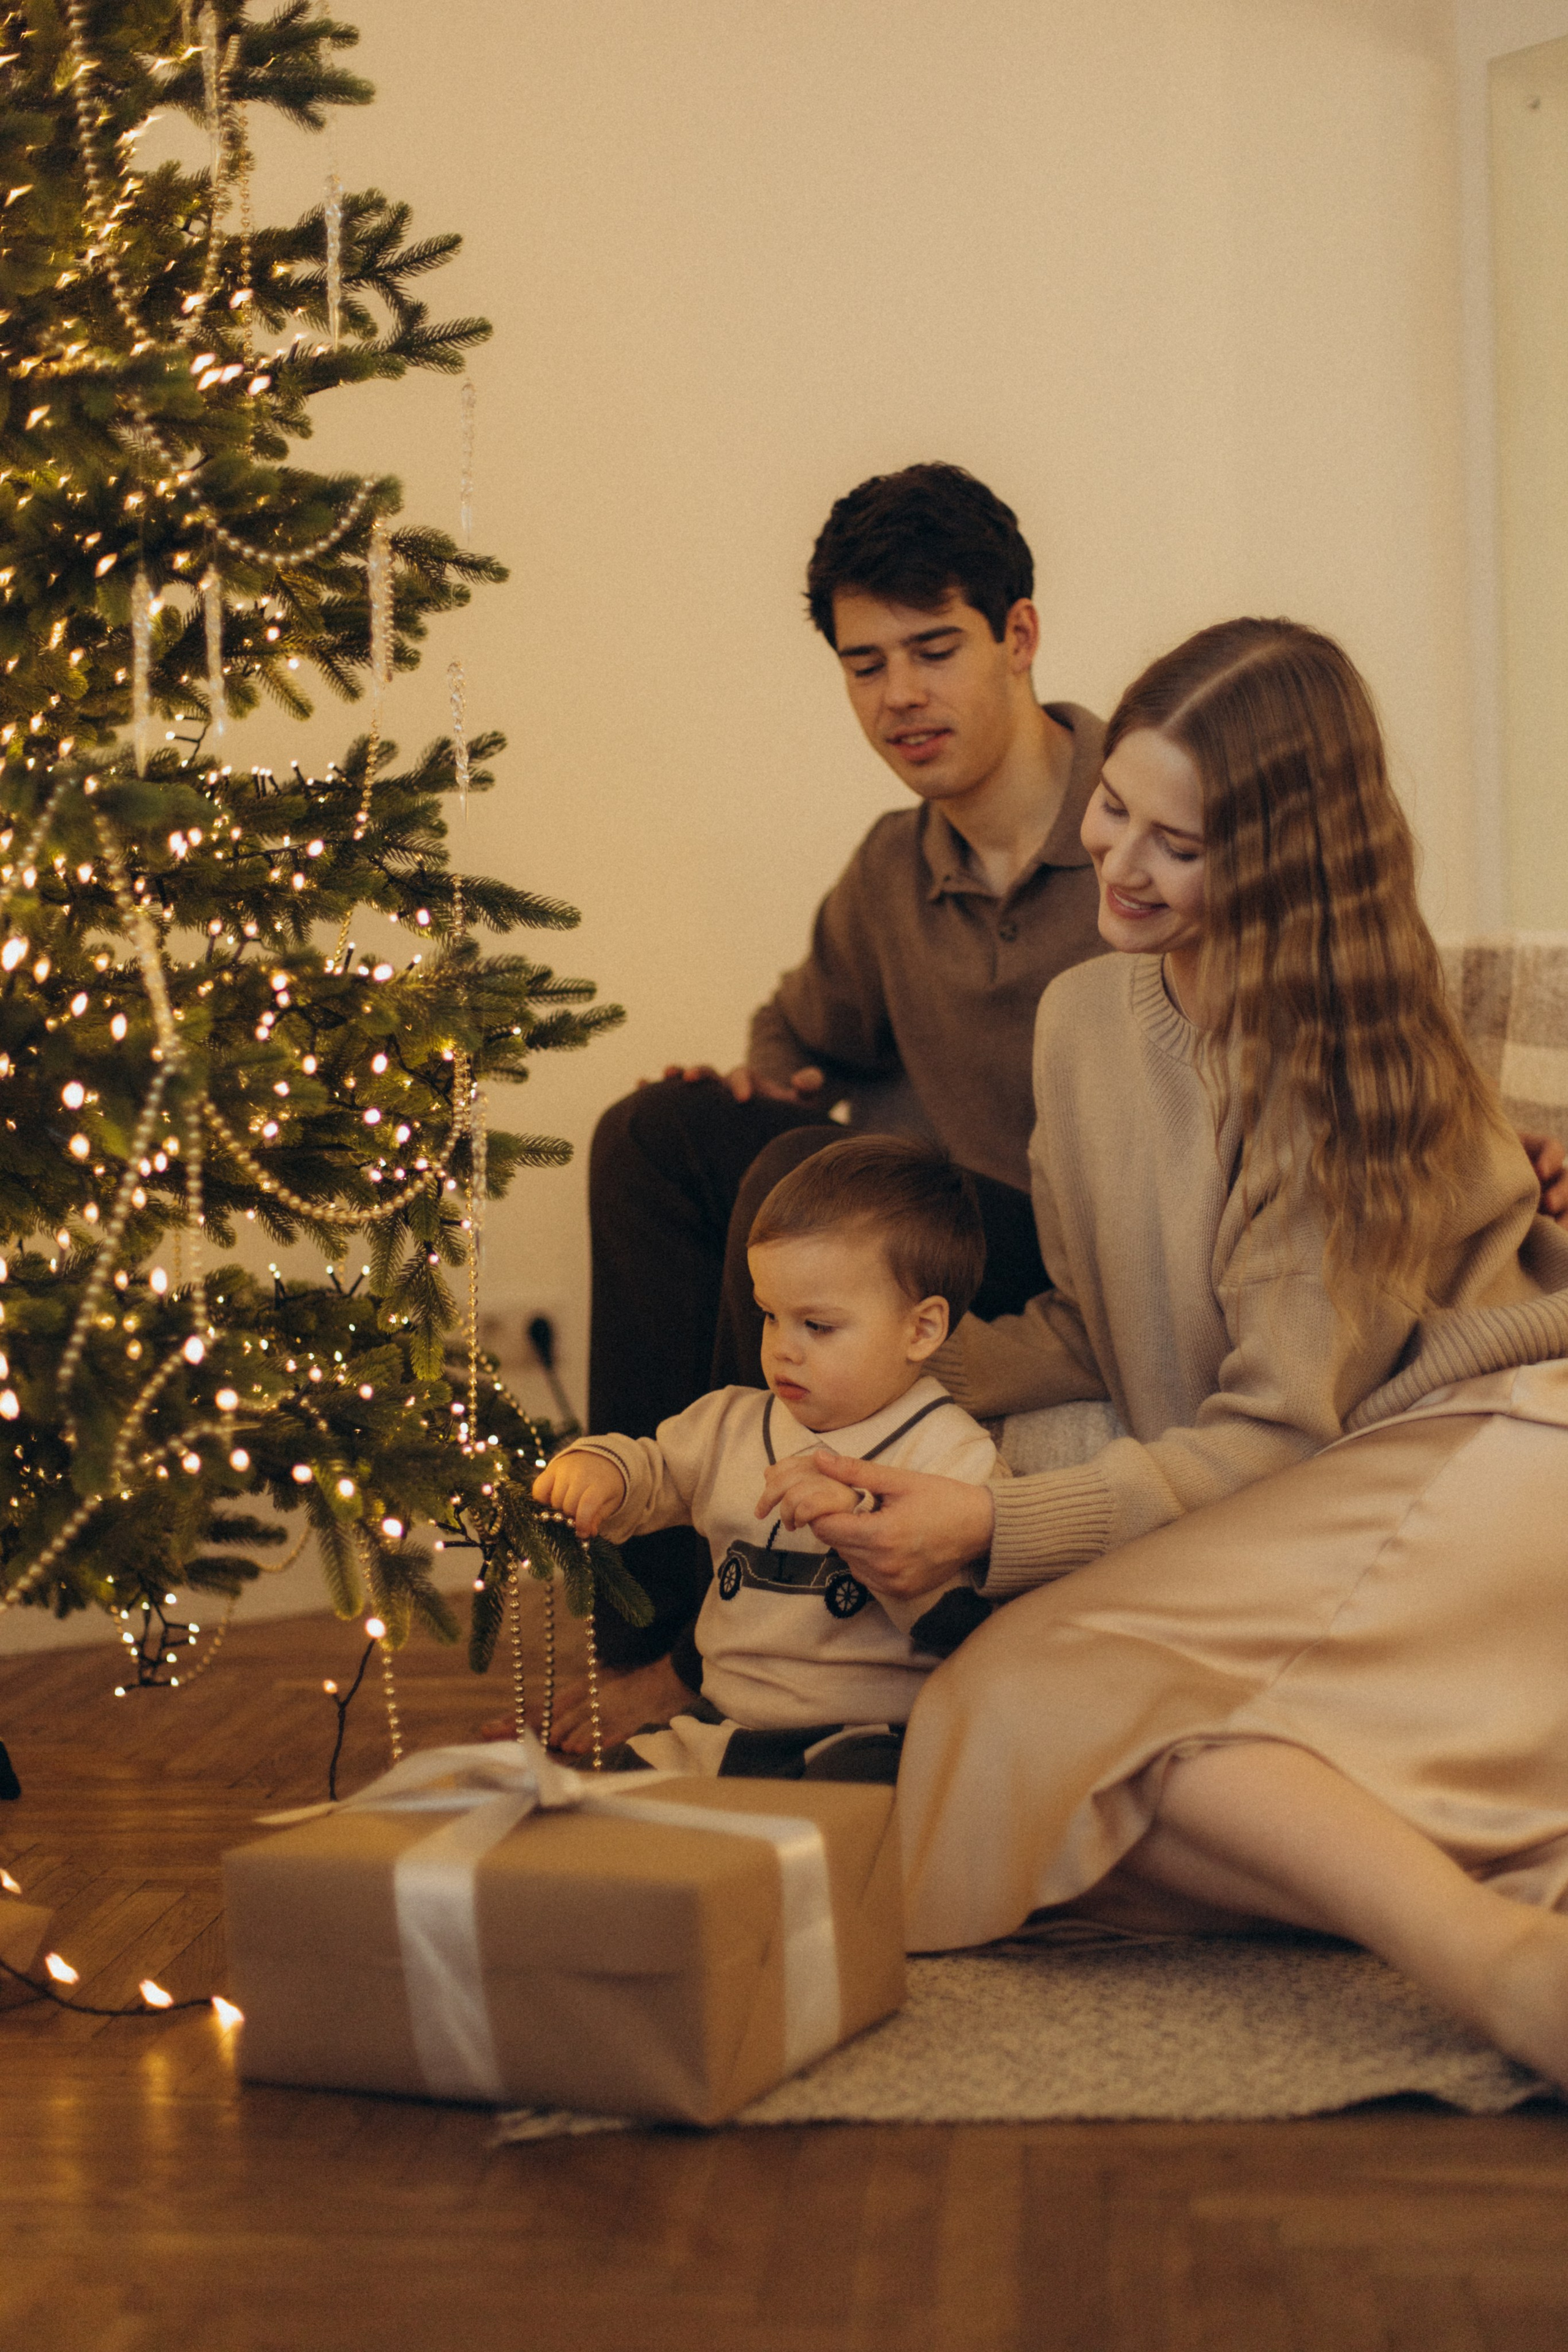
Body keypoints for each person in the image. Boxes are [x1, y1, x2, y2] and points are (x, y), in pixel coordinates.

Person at [766, 618, 1568, 2088]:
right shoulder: (1086, 1018)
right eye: (1112, 809)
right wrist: (877, 1387)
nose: (1121, 865)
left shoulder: (1321, 1052)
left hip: (1478, 1458)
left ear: (1275, 861)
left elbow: (1276, 1432)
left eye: (1178, 843)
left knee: (1019, 1717)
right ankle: (1497, 1927)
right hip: (1330, 1475)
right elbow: (1087, 1317)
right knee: (1022, 1742)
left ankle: (1491, 1964)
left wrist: (994, 1523)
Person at [532, 1138, 1003, 1781]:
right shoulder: (731, 1421)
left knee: (867, 1808)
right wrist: (603, 1469)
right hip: (719, 1725)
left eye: (817, 1326)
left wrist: (863, 1519)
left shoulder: (951, 1453)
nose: (783, 1348)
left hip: (866, 1737)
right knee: (613, 1797)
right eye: (769, 1316)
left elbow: (975, 1625)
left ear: (920, 1330)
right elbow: (656, 1470)